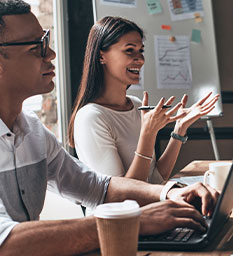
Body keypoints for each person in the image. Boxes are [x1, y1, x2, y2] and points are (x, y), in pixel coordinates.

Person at [0, 1, 218, 254]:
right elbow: (6, 242)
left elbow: (99, 187)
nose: (51, 54)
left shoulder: (33, 132)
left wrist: (170, 192)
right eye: (37, 47)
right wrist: (132, 222)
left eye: (46, 41)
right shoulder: (90, 116)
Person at [68, 16, 219, 184]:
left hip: (150, 209)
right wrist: (148, 135)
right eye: (129, 50)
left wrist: (180, 129)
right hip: (124, 210)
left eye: (141, 50)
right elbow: (121, 195)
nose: (140, 59)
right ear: (101, 56)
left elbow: (155, 179)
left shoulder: (137, 105)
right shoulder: (91, 117)